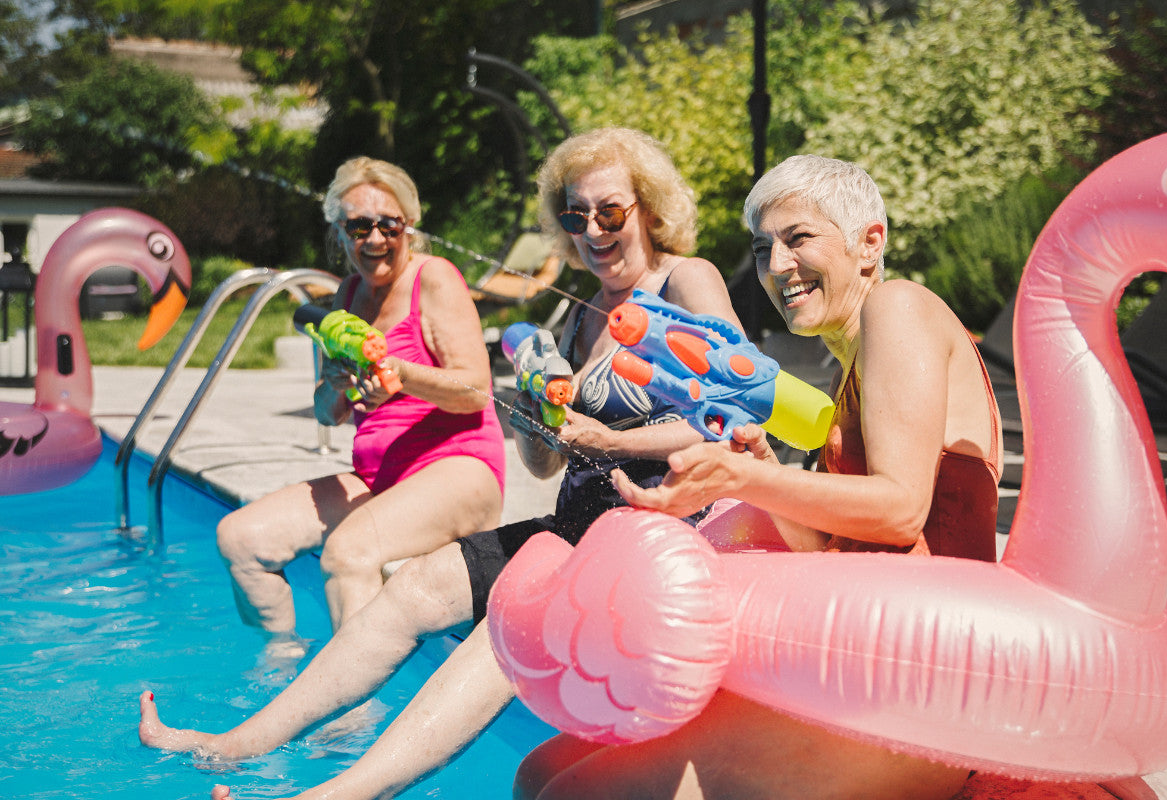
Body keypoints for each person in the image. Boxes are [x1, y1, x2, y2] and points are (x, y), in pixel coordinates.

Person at [137, 127, 742, 800]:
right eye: (575, 216)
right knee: (416, 588)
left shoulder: (685, 280)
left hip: (656, 534)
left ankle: (332, 795)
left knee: (504, 625)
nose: (592, 230)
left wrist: (610, 443)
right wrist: (536, 415)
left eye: (610, 211)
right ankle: (238, 744)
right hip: (578, 524)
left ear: (648, 208)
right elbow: (543, 466)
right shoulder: (577, 317)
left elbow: (741, 414)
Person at [517, 153, 1003, 799]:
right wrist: (758, 470)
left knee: (569, 792)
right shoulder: (852, 366)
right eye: (762, 247)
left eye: (798, 238)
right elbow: (836, 546)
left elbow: (901, 510)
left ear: (869, 242)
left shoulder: (899, 307)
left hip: (925, 688)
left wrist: (739, 481)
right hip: (864, 661)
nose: (776, 267)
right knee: (540, 772)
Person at [213, 156, 506, 638]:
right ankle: (280, 672)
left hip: (459, 469)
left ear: (408, 224)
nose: (374, 239)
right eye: (358, 226)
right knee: (241, 539)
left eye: (388, 225)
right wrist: (333, 383)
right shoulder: (349, 294)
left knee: (347, 554)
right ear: (341, 232)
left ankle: (354, 711)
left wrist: (401, 372)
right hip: (380, 476)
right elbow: (328, 416)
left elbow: (476, 392)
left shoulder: (434, 278)